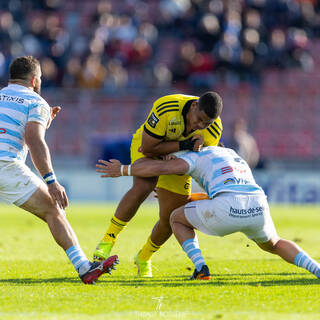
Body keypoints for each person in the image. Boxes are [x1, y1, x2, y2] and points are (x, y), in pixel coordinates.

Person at [96, 146, 320, 280]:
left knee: (176, 218)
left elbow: (163, 168)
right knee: (275, 244)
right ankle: (316, 269)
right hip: (258, 204)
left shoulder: (192, 157)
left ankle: (200, 266)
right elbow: (223, 191)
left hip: (226, 207)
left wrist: (124, 170)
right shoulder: (231, 154)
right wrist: (192, 198)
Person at [0, 56, 118, 284]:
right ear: (34, 80)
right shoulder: (36, 102)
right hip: (5, 166)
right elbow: (34, 140)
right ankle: (84, 267)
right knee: (54, 209)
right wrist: (51, 181)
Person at [93, 92, 223, 277]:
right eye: (199, 119)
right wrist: (183, 145)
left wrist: (182, 155)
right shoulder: (167, 107)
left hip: (179, 158)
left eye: (206, 123)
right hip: (149, 148)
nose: (200, 126)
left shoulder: (214, 130)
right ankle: (108, 240)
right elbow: (148, 147)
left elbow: (196, 162)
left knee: (172, 217)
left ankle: (144, 257)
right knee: (143, 187)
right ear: (194, 106)